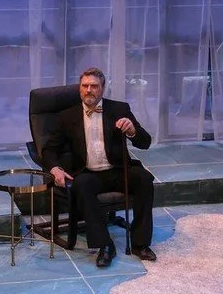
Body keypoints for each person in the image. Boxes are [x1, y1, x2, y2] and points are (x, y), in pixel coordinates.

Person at [45, 68, 155, 268]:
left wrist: (132, 131)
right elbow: (49, 149)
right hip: (88, 173)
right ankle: (105, 245)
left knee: (144, 179)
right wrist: (55, 168)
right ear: (80, 89)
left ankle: (140, 243)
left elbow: (145, 142)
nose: (89, 90)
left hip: (117, 170)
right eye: (85, 86)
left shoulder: (119, 109)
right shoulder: (66, 116)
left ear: (103, 88)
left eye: (94, 86)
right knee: (82, 185)